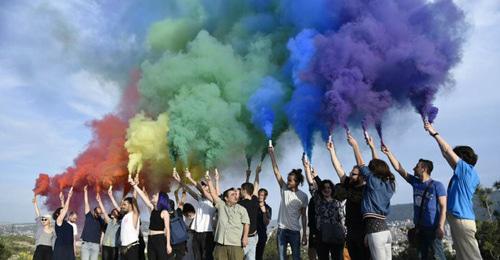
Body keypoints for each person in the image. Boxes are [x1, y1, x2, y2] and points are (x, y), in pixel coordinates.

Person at [424, 121, 482, 260]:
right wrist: (434, 137)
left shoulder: (466, 171)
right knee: (464, 256)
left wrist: (434, 133)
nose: (451, 160)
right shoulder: (465, 174)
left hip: (462, 220)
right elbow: (446, 153)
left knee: (472, 257)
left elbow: (447, 150)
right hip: (460, 220)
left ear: (462, 158)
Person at [382, 144, 447, 259]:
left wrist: (441, 227)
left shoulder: (437, 186)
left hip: (433, 229)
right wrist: (388, 153)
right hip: (420, 228)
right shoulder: (415, 182)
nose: (413, 168)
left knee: (439, 256)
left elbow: (443, 207)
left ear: (424, 169)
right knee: (422, 256)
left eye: (417, 166)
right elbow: (399, 169)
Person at [347, 132, 395, 260]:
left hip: (375, 230)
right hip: (385, 230)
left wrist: (355, 146)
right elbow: (378, 165)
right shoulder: (389, 183)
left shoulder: (373, 182)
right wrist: (372, 147)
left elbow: (361, 164)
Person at [326, 135, 370, 260]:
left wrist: (355, 146)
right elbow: (339, 169)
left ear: (361, 176)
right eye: (351, 173)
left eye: (354, 174)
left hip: (363, 231)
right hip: (350, 231)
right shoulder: (349, 185)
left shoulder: (366, 190)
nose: (350, 175)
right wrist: (332, 151)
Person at [268, 142, 308, 260]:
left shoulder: (303, 196)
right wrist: (272, 154)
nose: (288, 181)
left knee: (296, 257)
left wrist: (304, 234)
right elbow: (276, 172)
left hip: (295, 232)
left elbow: (304, 216)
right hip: (282, 231)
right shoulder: (284, 189)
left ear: (297, 182)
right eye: (288, 179)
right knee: (282, 258)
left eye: (290, 180)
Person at [303, 155, 345, 260]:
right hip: (322, 237)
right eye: (324, 188)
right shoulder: (318, 200)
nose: (327, 189)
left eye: (329, 187)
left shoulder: (337, 201)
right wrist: (307, 167)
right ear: (321, 190)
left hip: (336, 236)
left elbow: (342, 219)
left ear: (332, 189)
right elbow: (311, 183)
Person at [206, 173, 250, 260]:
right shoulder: (221, 205)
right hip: (220, 245)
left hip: (235, 245)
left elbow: (246, 223)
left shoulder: (242, 209)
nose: (235, 196)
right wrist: (209, 181)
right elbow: (213, 194)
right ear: (226, 198)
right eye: (232, 195)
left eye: (235, 194)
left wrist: (245, 237)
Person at [131, 176, 172, 259]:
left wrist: (168, 244)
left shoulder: (165, 212)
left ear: (161, 198)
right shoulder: (152, 208)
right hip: (150, 239)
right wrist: (135, 186)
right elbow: (143, 196)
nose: (153, 195)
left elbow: (167, 229)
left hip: (160, 239)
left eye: (156, 195)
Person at [183, 168, 217, 260]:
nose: (202, 187)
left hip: (207, 234)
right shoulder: (200, 198)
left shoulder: (213, 200)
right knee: (197, 257)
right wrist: (179, 181)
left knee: (207, 257)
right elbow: (189, 191)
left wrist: (190, 178)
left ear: (209, 187)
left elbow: (200, 189)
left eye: (204, 185)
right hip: (196, 233)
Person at [238, 164, 263, 260]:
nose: (240, 191)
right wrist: (257, 174)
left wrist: (248, 176)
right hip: (254, 237)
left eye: (241, 190)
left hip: (244, 238)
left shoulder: (239, 204)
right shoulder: (255, 201)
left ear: (244, 190)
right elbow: (255, 187)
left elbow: (251, 188)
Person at [96, 186, 121, 260]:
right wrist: (99, 201)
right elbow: (104, 211)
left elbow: (119, 209)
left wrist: (111, 195)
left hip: (114, 246)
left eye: (115, 212)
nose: (113, 213)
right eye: (113, 212)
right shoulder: (109, 221)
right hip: (105, 245)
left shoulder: (120, 223)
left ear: (118, 215)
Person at [81, 185, 105, 260]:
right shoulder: (89, 216)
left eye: (100, 213)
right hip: (86, 244)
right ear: (94, 212)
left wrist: (101, 244)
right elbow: (86, 203)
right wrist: (85, 192)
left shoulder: (101, 220)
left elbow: (103, 232)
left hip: (95, 245)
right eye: (97, 212)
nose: (98, 214)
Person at [53, 187, 75, 260]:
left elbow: (63, 209)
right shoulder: (58, 221)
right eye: (61, 212)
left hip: (69, 249)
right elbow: (64, 210)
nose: (64, 212)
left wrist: (62, 200)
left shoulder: (64, 222)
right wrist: (69, 197)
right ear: (57, 215)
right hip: (61, 249)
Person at [32, 194, 55, 260]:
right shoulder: (40, 226)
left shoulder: (53, 230)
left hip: (49, 250)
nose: (43, 220)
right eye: (42, 219)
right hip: (39, 249)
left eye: (45, 219)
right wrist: (35, 204)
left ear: (49, 221)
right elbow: (38, 215)